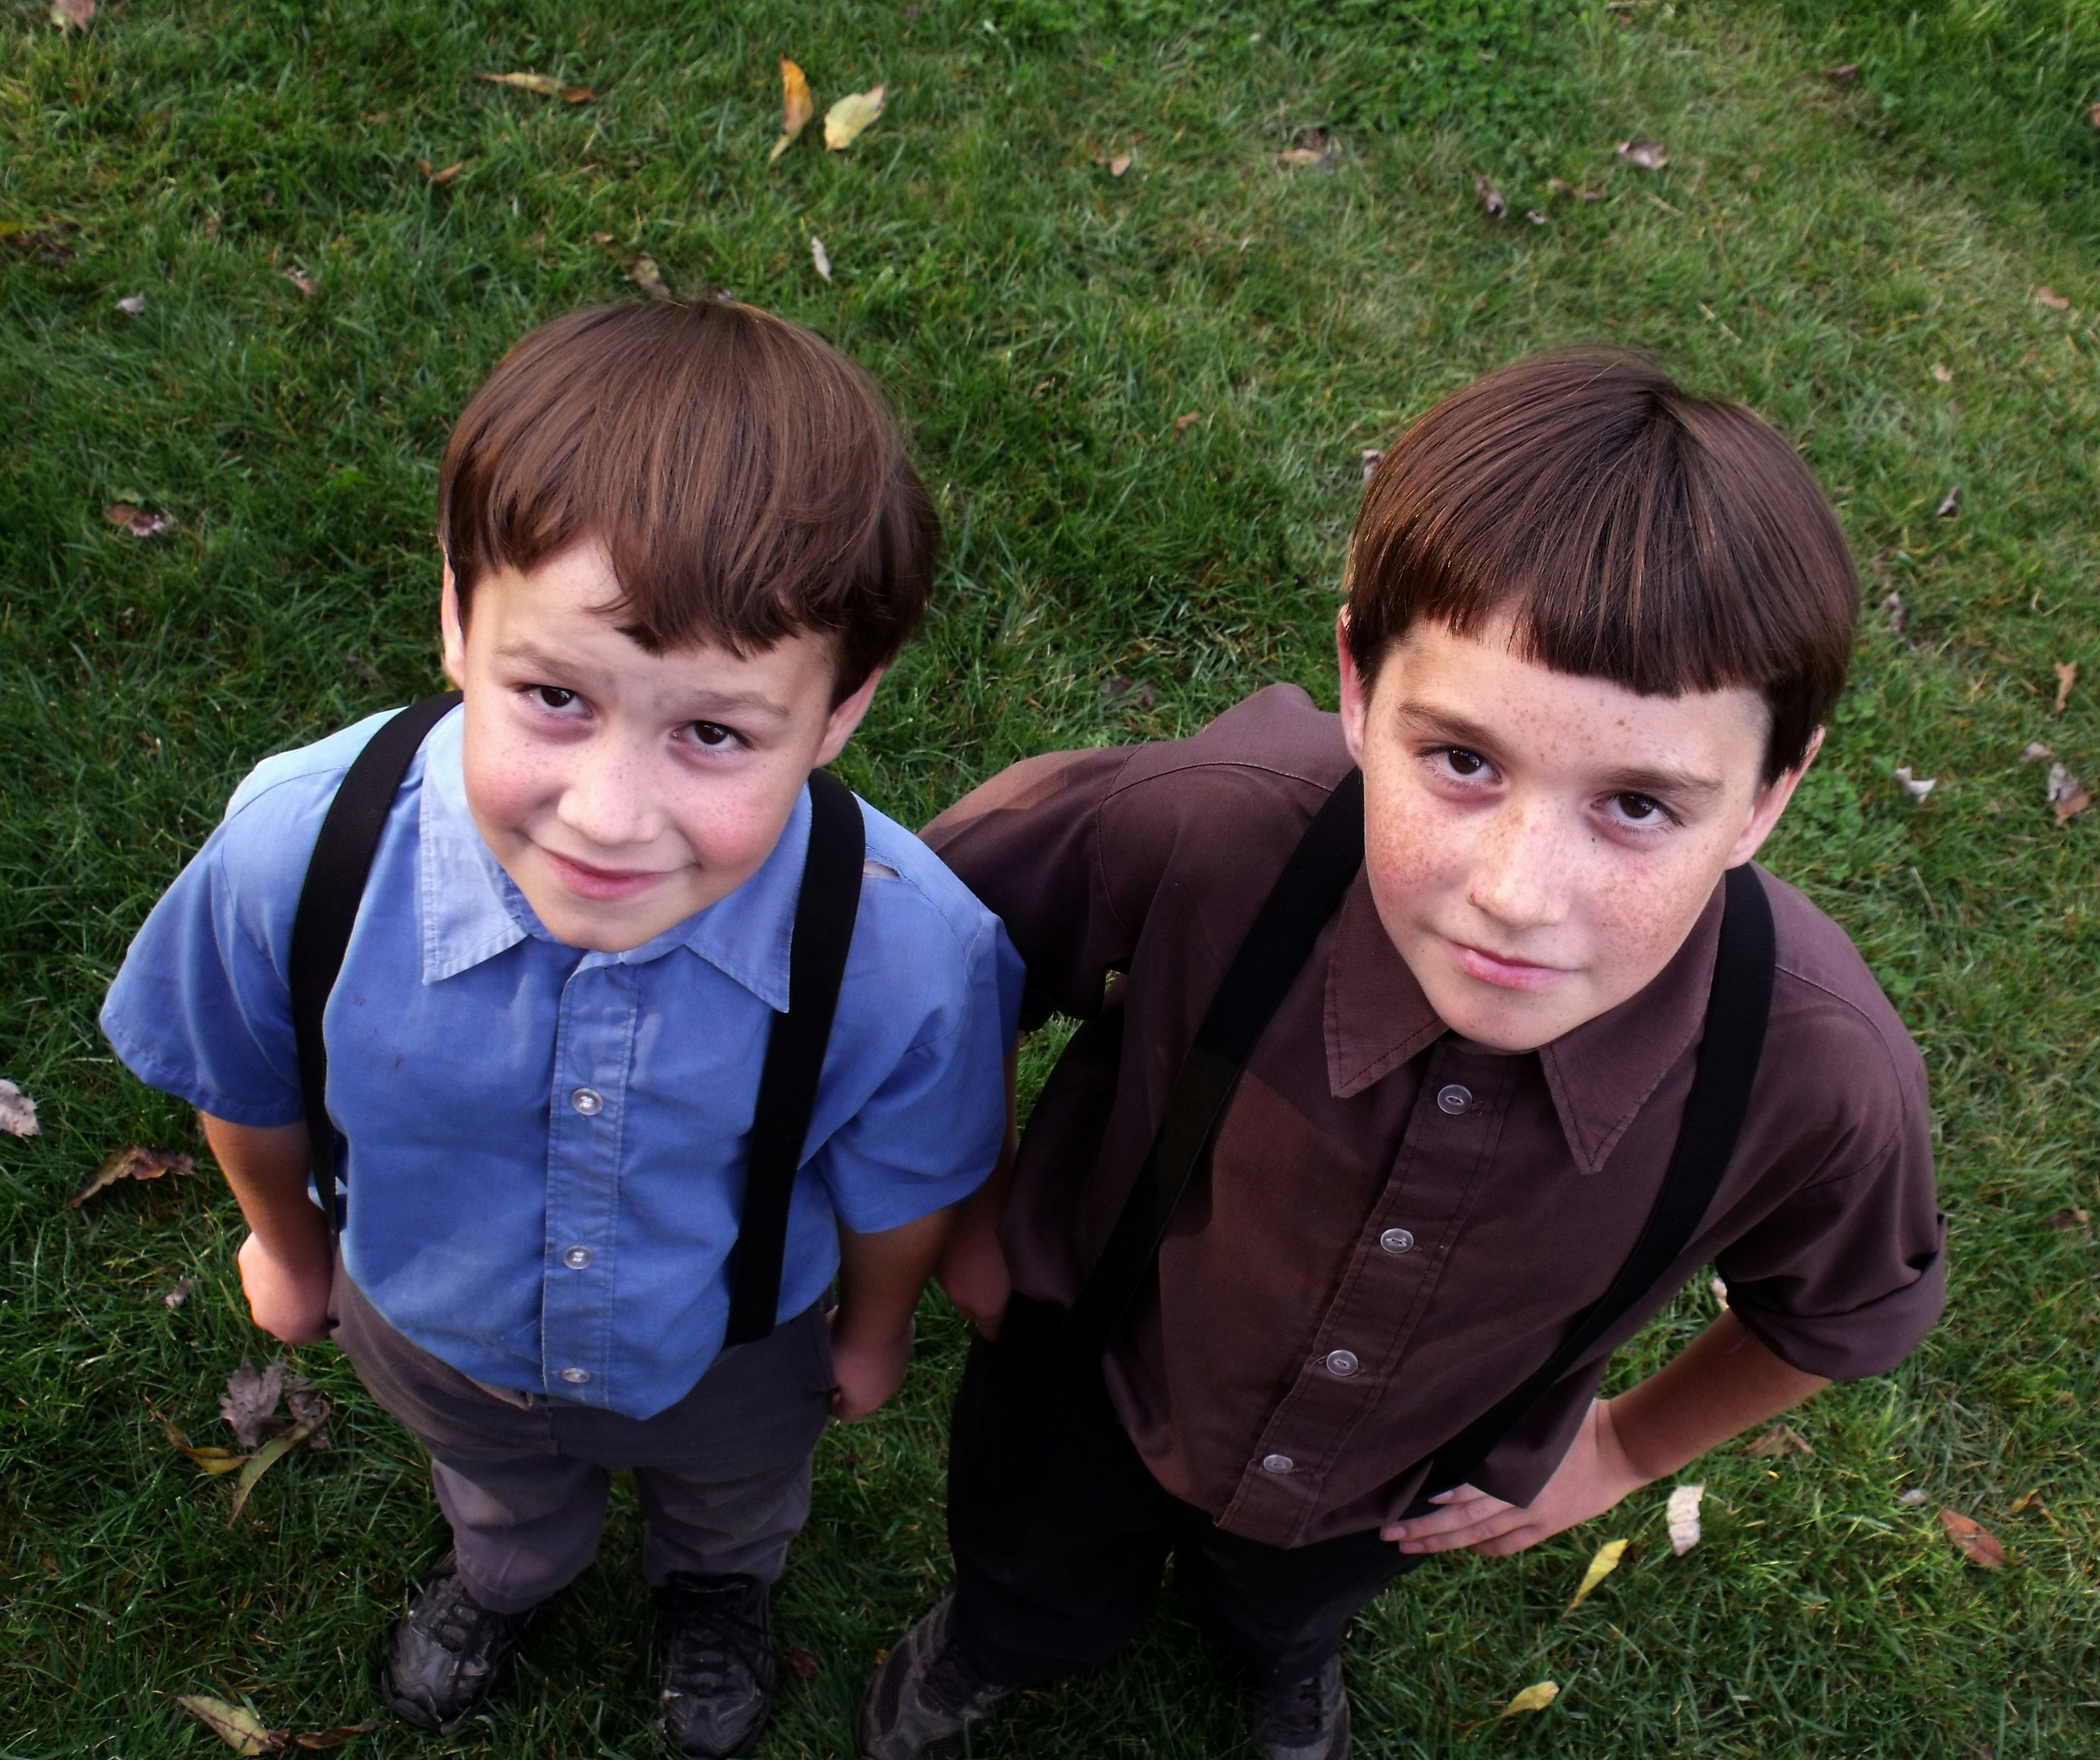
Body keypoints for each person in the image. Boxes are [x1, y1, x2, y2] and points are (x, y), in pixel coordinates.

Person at [859, 350, 1945, 1760]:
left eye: (1633, 804)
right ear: (1359, 690)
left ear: (1764, 797)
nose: (1515, 889)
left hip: (1397, 1484)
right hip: (1090, 1377)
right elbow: (923, 949)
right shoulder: (1204, 828)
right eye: (1462, 761)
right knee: (1033, 1571)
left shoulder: (1818, 1072)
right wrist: (974, 1200)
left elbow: (1837, 1316)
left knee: (1288, 1608)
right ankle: (997, 1643)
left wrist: (1618, 1450)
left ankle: (1280, 1657)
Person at [101, 300, 1019, 1756]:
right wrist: (287, 1248)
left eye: (712, 733)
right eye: (551, 698)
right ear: (460, 616)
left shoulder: (907, 952)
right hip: (431, 1323)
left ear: (840, 709)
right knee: (493, 1482)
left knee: (732, 1498)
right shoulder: (296, 856)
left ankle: (713, 1590)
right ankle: (507, 1573)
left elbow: (902, 1183)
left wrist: (876, 1326)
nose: (606, 812)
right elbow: (248, 1080)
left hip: (730, 1353)